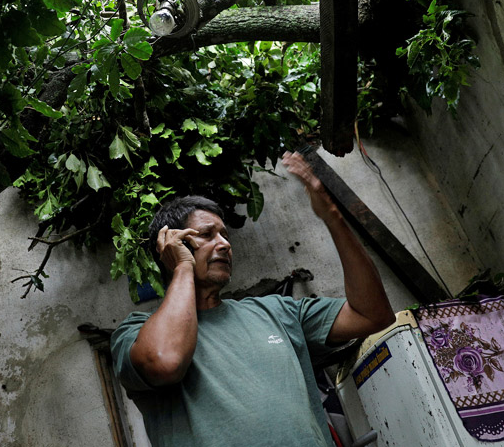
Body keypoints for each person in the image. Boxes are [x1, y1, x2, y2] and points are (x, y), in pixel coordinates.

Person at [110, 150, 395, 447]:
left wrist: (333, 219)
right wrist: (182, 267)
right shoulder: (135, 334)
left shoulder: (276, 311)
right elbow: (166, 362)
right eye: (207, 234)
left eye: (225, 235)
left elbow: (373, 314)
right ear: (173, 246)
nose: (224, 244)